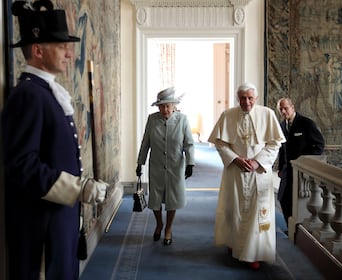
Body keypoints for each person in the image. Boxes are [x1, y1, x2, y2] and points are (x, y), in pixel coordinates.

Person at [2, 1, 108, 279]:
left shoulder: (45, 93)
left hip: (58, 219)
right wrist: (78, 188)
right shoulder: (28, 95)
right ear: (38, 50)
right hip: (40, 224)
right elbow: (22, 165)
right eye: (61, 46)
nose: (70, 54)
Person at [208, 82, 286, 270]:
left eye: (250, 98)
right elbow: (220, 143)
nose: (246, 102)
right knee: (232, 209)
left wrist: (257, 161)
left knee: (256, 215)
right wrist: (235, 159)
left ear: (256, 99)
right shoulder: (228, 115)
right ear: (238, 98)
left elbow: (275, 143)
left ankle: (253, 254)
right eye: (243, 98)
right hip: (235, 171)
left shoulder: (267, 114)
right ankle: (234, 243)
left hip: (258, 173)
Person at [136, 87, 195, 246]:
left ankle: (168, 228)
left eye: (168, 106)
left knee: (172, 199)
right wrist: (140, 163)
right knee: (155, 199)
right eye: (161, 106)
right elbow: (145, 143)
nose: (164, 109)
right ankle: (159, 224)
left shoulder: (182, 120)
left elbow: (189, 144)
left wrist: (190, 163)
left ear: (174, 106)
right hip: (156, 166)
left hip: (175, 167)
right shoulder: (152, 119)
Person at [276, 97, 325, 227]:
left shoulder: (306, 123)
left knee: (298, 202)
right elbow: (282, 149)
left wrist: (307, 162)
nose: (283, 111)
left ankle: (296, 230)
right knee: (282, 199)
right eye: (281, 109)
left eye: (285, 108)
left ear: (292, 107)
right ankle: (289, 227)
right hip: (287, 171)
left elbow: (319, 145)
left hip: (301, 171)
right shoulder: (281, 126)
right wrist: (280, 168)